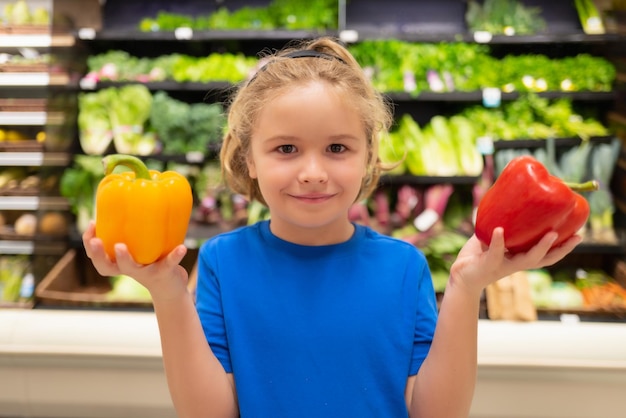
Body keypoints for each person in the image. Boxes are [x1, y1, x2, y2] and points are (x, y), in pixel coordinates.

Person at [82, 36, 581, 418]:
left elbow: (434, 411)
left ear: (368, 158)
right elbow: (211, 410)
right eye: (286, 149)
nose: (314, 171)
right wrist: (168, 293)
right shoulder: (222, 261)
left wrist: (467, 286)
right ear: (248, 159)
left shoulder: (402, 266)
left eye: (338, 148)